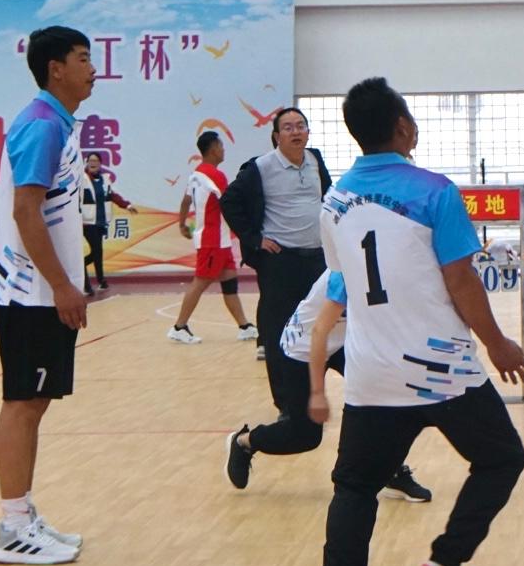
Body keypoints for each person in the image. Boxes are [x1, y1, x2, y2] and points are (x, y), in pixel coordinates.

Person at [302, 77, 524, 566]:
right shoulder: (435, 191)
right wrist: (497, 344)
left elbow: (343, 282)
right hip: (442, 369)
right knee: (502, 458)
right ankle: (445, 563)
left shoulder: (333, 202)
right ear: (404, 127)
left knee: (354, 486)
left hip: (371, 372)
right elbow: (462, 281)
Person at [223, 121, 429, 502]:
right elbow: (319, 333)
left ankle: (390, 469)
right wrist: (318, 393)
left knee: (391, 396)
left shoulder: (397, 253)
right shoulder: (350, 267)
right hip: (305, 348)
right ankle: (245, 442)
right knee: (304, 436)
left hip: (345, 340)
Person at [0, 26, 94, 565]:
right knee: (21, 404)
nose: (92, 69)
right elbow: (25, 211)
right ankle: (11, 527)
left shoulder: (58, 124)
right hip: (28, 291)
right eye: (83, 59)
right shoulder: (42, 125)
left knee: (34, 402)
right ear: (56, 68)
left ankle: (22, 514)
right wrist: (61, 286)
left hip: (40, 291)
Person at [222, 107, 333, 371]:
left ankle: (311, 374)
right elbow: (229, 201)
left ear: (308, 132)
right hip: (280, 259)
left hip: (317, 256)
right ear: (276, 136)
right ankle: (282, 387)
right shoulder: (260, 167)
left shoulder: (315, 159)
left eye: (301, 126)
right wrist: (254, 239)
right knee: (277, 323)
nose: (296, 132)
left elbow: (327, 197)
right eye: (288, 127)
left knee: (315, 318)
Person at [169, 130, 256, 344]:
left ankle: (244, 326)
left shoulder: (195, 175)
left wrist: (182, 224)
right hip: (212, 240)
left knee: (229, 281)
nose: (223, 149)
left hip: (220, 240)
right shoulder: (215, 175)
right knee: (200, 282)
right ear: (214, 149)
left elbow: (185, 201)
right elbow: (230, 202)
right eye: (221, 146)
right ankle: (179, 327)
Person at [80, 152, 137, 295]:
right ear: (87, 163)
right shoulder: (81, 179)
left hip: (100, 221)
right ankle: (86, 284)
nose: (93, 163)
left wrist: (127, 205)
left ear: (100, 164)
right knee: (97, 251)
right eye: (90, 160)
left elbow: (112, 196)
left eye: (96, 161)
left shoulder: (105, 180)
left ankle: (101, 281)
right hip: (87, 222)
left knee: (98, 253)